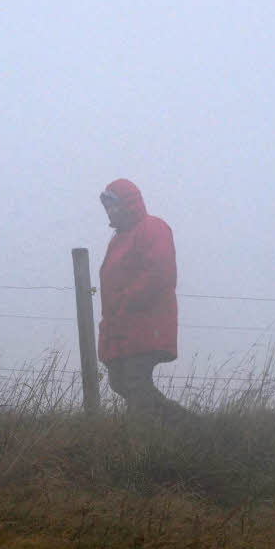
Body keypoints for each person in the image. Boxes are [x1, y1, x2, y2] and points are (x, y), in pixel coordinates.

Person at [98, 179, 189, 422]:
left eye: (113, 205)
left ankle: (144, 437)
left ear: (127, 203)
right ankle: (182, 425)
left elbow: (160, 273)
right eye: (106, 206)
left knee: (135, 381)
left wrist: (128, 301)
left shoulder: (152, 228)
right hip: (122, 326)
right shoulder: (118, 240)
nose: (109, 211)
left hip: (146, 323)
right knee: (119, 381)